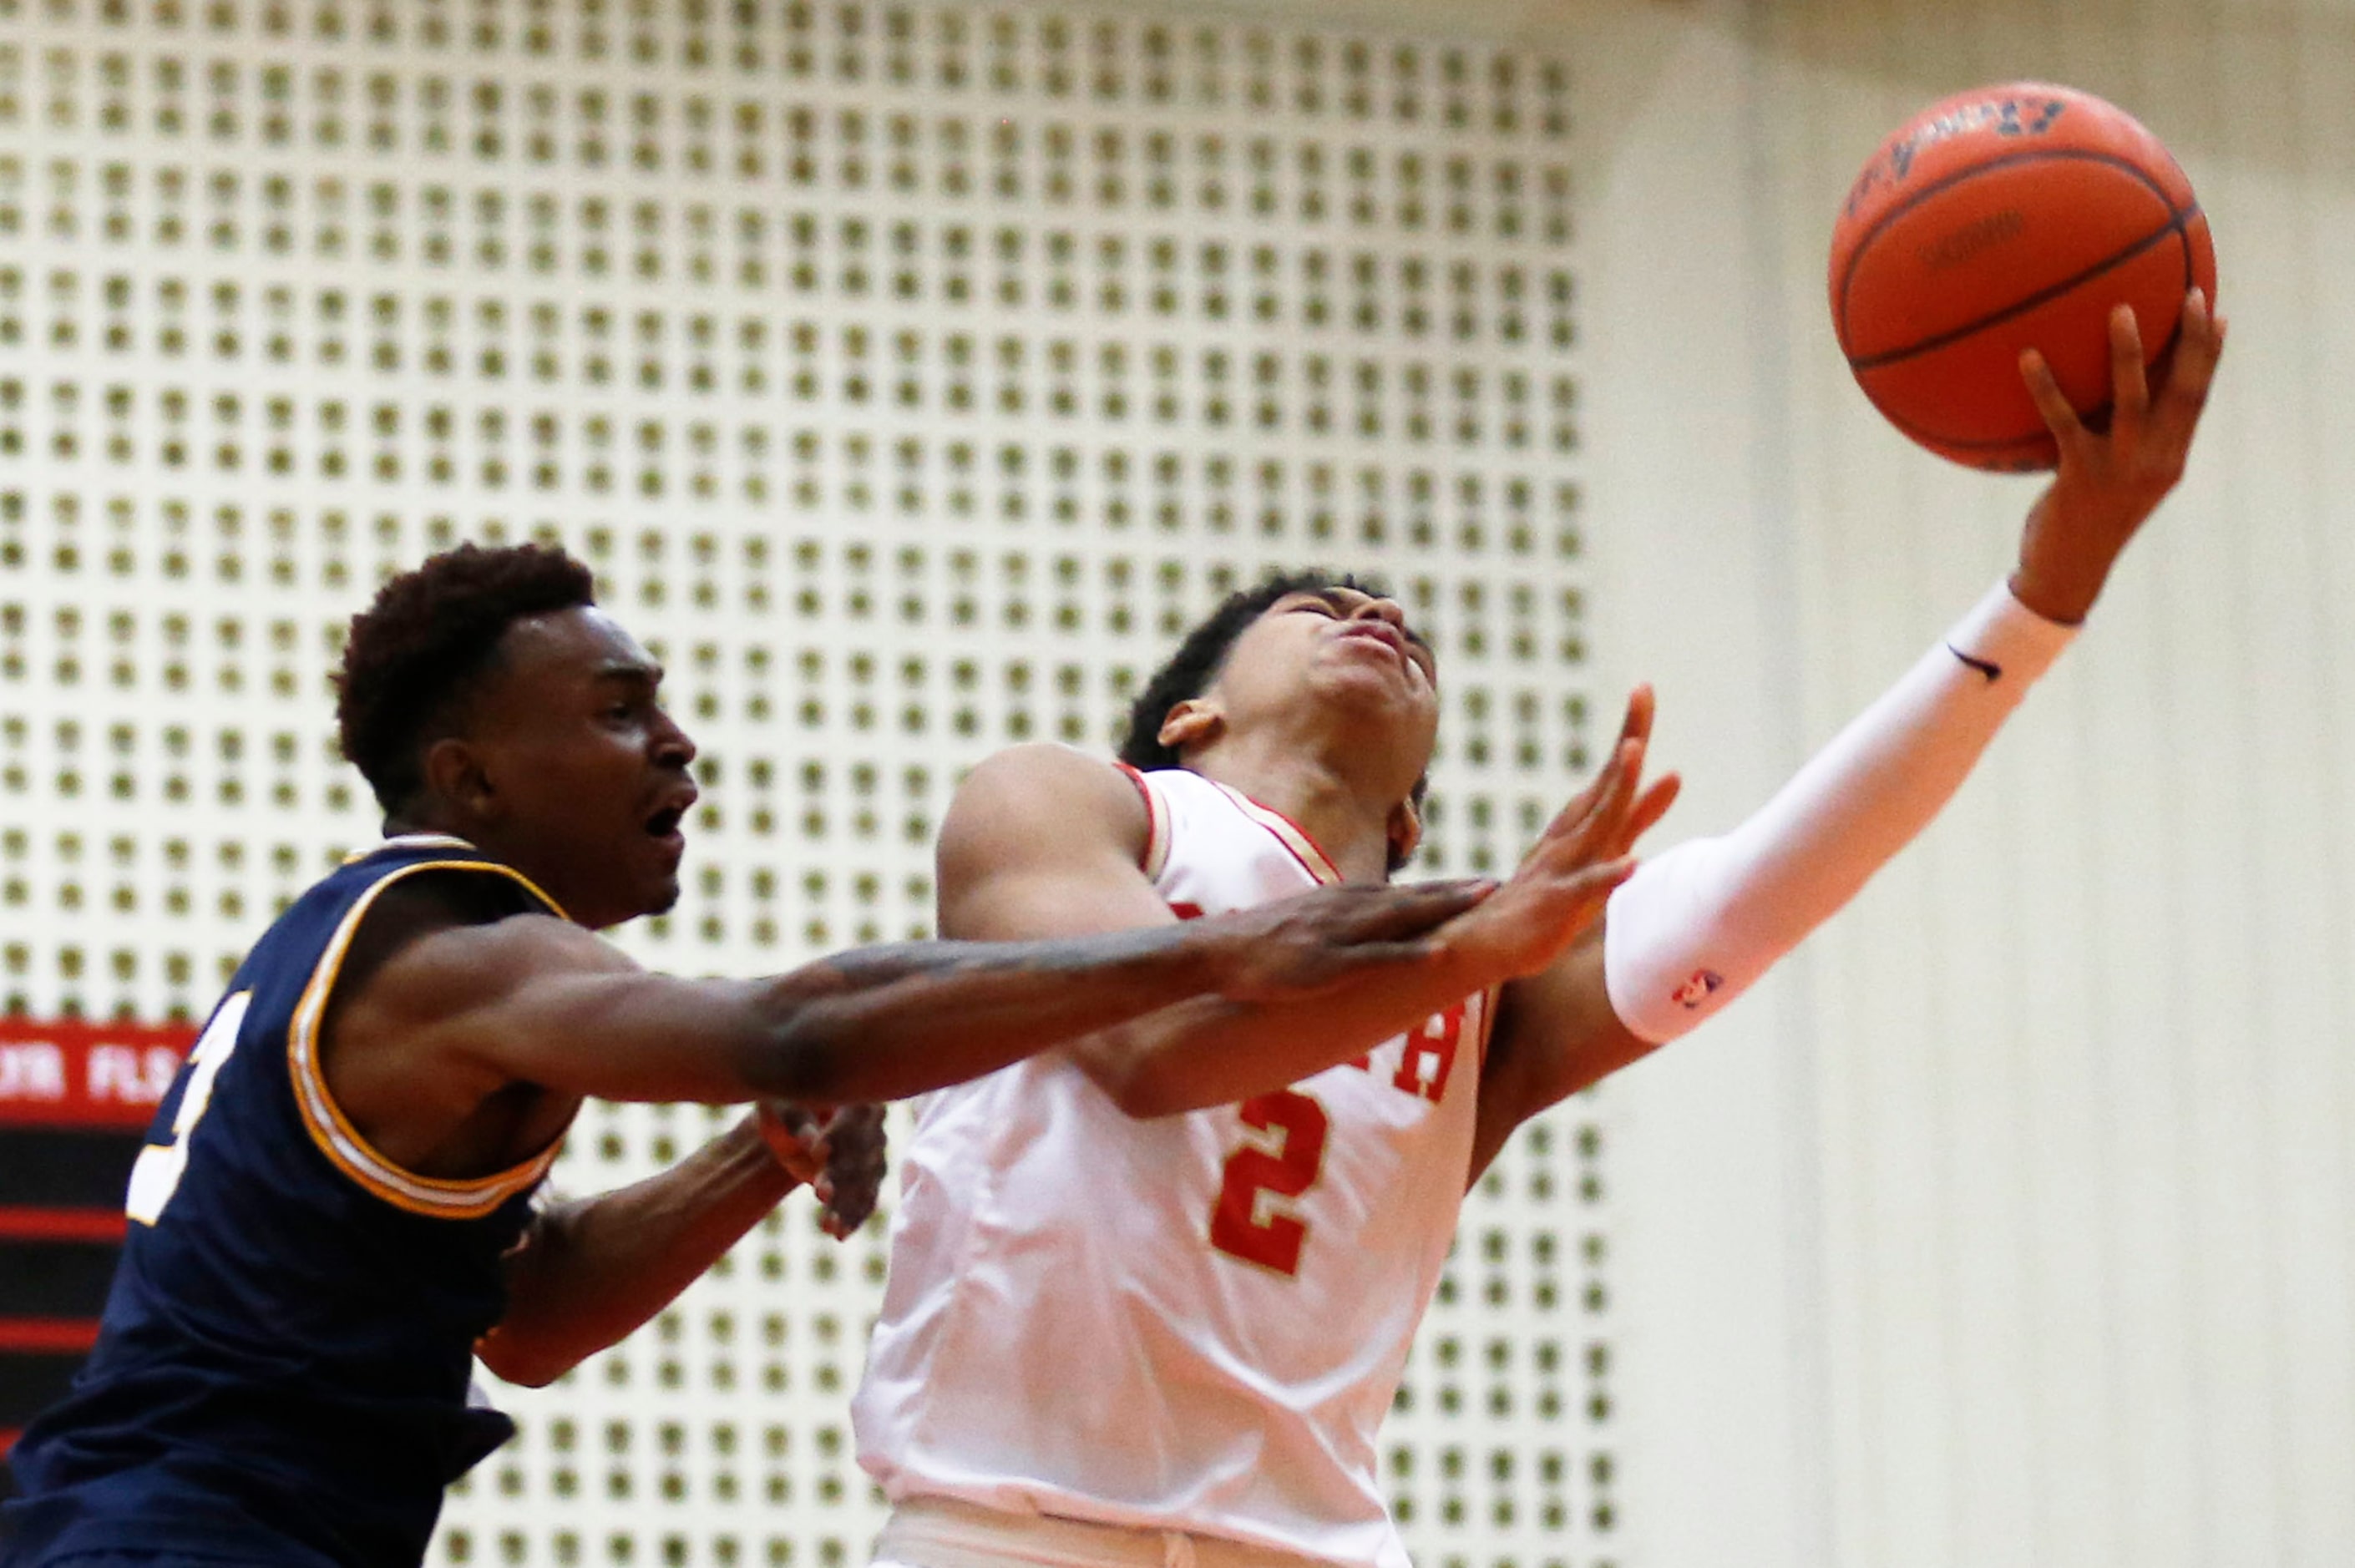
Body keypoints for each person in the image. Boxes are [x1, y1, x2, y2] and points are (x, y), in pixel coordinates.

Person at [850, 292, 2228, 1568]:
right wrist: (1471, 953)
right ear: (1190, 716)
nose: (1379, 612)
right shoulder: (1076, 808)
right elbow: (1151, 1049)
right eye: (1317, 608)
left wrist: (2044, 597)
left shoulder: (1477, 977)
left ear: (1412, 826)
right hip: (1007, 1528)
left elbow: (1772, 883)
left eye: (1401, 626)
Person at [0, 544, 1634, 1568]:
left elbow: (537, 1314)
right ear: (472, 774)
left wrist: (758, 1158)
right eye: (620, 710)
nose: (678, 742)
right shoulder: (454, 949)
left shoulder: (436, 971)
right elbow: (788, 1025)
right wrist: (1226, 944)